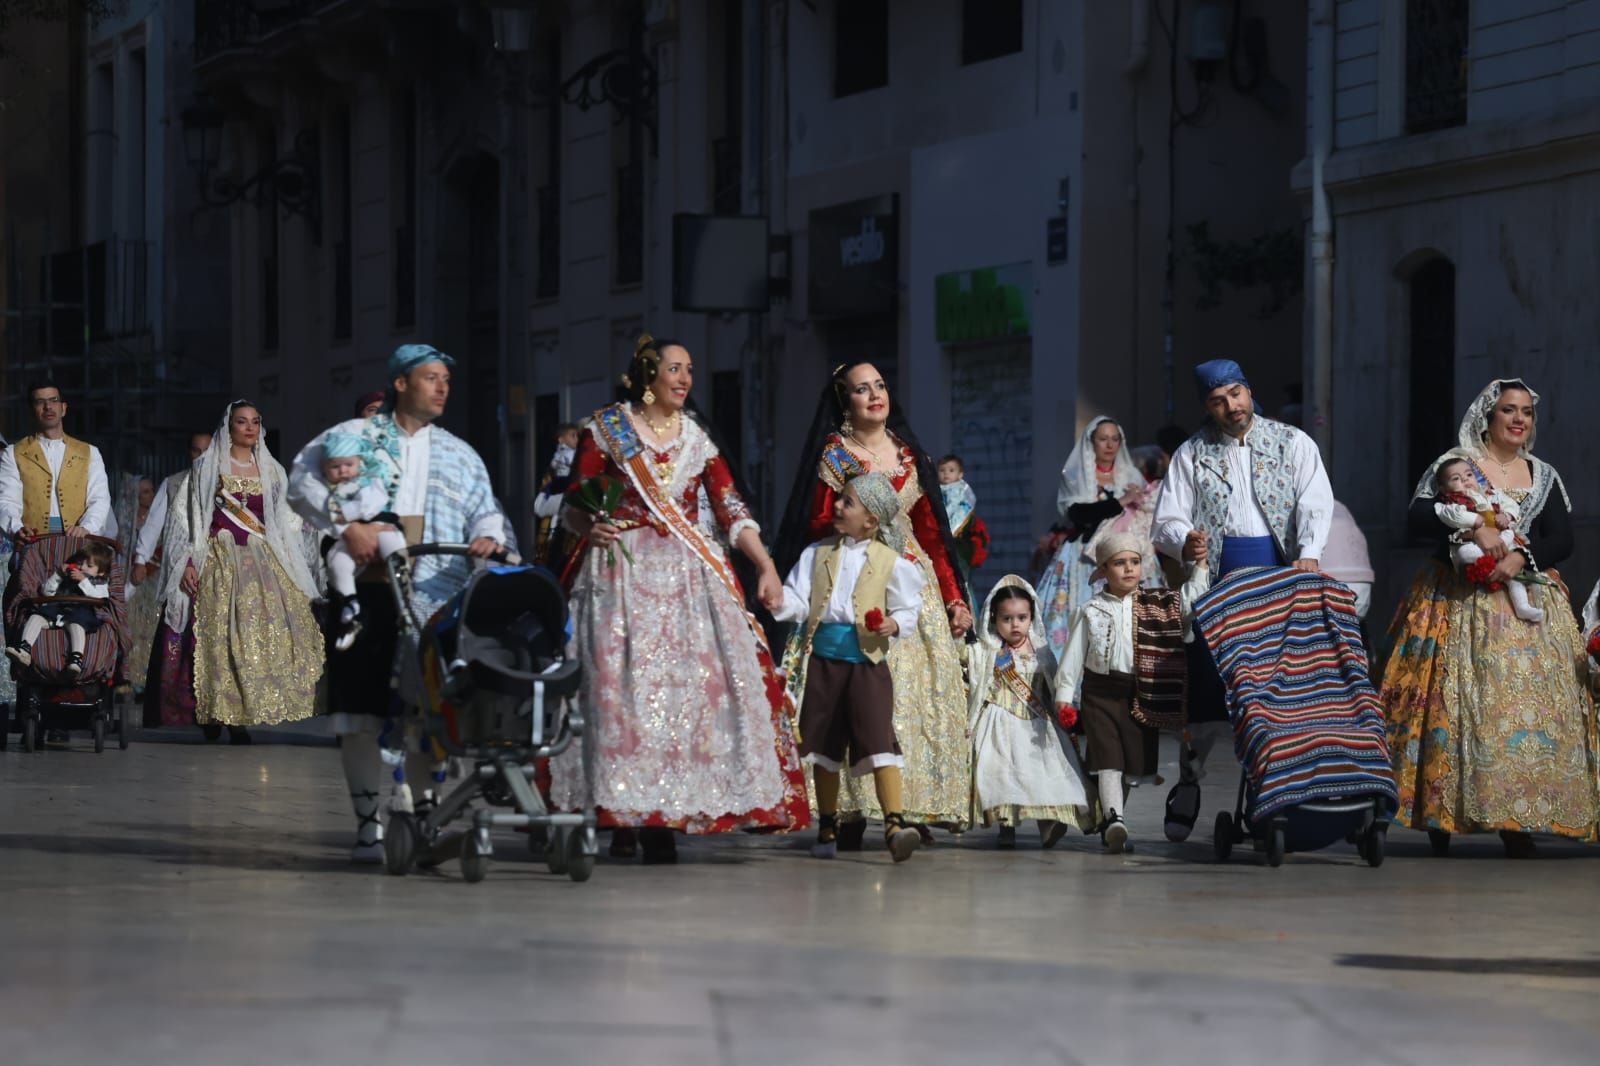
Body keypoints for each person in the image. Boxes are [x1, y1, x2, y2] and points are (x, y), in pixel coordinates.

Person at [547, 335, 806, 864]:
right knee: (621, 694)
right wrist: (588, 524)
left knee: (688, 697)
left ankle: (663, 816)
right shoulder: (608, 430)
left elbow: (731, 508)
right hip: (622, 577)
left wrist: (765, 565)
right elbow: (576, 500)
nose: (685, 379)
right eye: (674, 369)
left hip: (688, 579)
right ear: (648, 375)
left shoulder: (697, 439)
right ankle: (619, 810)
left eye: (689, 370)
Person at [292, 345, 511, 861]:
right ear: (400, 384)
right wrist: (349, 526)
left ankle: (424, 818)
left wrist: (487, 536)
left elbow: (485, 511)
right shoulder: (357, 436)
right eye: (431, 378)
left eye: (446, 381)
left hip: (435, 595)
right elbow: (301, 481)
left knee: (428, 712)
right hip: (368, 593)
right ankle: (369, 827)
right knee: (361, 713)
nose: (442, 388)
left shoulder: (460, 453)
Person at [1381, 378, 1598, 858]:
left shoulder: (1543, 474)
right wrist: (1471, 528)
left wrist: (1522, 557)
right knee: (1450, 703)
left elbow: (1562, 538)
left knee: (1528, 714)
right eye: (1508, 411)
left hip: (1525, 600)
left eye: (1526, 412)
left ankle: (1519, 819)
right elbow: (1415, 519)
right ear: (1489, 417)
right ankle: (1440, 814)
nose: (1519, 420)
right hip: (1458, 598)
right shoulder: (1456, 465)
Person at [776, 361, 973, 845]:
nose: (874, 395)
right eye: (861, 390)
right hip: (853, 581)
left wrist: (953, 598)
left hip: (911, 584)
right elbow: (820, 520)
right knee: (849, 698)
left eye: (880, 385)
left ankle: (911, 806)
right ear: (845, 402)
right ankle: (847, 809)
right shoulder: (835, 455)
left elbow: (931, 530)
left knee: (914, 697)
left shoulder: (910, 455)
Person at [1150, 359, 1333, 840]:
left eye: (1235, 394)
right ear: (1207, 407)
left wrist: (1309, 553)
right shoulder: (1192, 453)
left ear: (1249, 391)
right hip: (1218, 581)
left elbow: (1315, 500)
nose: (1230, 406)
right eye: (1217, 400)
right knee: (1211, 692)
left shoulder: (1292, 442)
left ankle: (1272, 790)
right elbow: (1167, 519)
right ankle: (1190, 781)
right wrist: (1184, 539)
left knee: (1278, 690)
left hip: (1280, 575)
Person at [771, 472, 926, 862]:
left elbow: (908, 607)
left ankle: (894, 822)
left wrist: (893, 623)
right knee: (822, 744)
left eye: (848, 502)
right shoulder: (817, 554)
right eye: (840, 499)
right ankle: (827, 824)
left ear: (871, 520)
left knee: (878, 740)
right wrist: (780, 603)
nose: (838, 506)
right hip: (824, 664)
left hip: (866, 664)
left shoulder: (890, 561)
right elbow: (800, 601)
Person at [158, 402, 323, 743]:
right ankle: (217, 710)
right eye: (241, 422)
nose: (249, 428)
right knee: (219, 639)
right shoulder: (207, 467)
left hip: (262, 562)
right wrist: (189, 561)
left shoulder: (273, 470)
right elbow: (190, 518)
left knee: (253, 639)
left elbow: (285, 523)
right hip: (220, 560)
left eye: (255, 422)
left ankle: (241, 715)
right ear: (228, 427)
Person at [1053, 533, 1210, 853]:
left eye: (1135, 562)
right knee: (1108, 759)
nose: (1129, 569)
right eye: (1119, 563)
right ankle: (1114, 820)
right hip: (1100, 694)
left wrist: (1201, 566)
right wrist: (1064, 696)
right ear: (1103, 570)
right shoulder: (1091, 610)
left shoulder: (1159, 605)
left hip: (1140, 697)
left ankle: (1111, 819)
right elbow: (1073, 655)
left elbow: (1192, 599)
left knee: (1129, 765)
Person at [964, 575, 1092, 849]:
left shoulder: (1042, 651)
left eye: (1022, 617)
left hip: (1037, 725)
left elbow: (1053, 684)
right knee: (1003, 773)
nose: (1015, 624)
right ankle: (1006, 827)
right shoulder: (987, 651)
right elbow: (971, 672)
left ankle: (1048, 825)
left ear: (1031, 616)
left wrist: (1062, 709)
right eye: (1007, 618)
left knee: (1043, 773)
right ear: (994, 619)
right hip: (999, 722)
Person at [1036, 416, 1153, 658]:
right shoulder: (1076, 476)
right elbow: (1078, 514)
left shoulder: (1131, 475)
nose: (1109, 445)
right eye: (1103, 439)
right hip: (1084, 554)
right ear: (1091, 442)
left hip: (1125, 551)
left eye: (1115, 439)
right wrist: (1120, 502)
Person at [133, 432, 213, 728]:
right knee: (177, 637)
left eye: (207, 451)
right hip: (181, 573)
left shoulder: (225, 483)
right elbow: (155, 524)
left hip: (217, 574)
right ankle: (174, 710)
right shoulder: (174, 484)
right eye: (196, 451)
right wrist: (140, 559)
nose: (201, 456)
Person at [315, 431, 406, 648]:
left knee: (391, 544)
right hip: (348, 541)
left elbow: (368, 507)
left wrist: (346, 513)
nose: (343, 471)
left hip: (381, 527)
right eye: (335, 467)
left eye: (348, 464)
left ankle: (404, 595)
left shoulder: (370, 482)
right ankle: (349, 603)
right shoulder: (327, 494)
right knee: (338, 563)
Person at [1432, 458, 1544, 623]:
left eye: (1469, 475)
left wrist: (1506, 515)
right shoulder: (1450, 503)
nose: (1464, 480)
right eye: (1455, 479)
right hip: (1472, 545)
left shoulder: (1490, 494)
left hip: (1501, 543)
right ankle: (1488, 565)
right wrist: (1474, 520)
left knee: (1514, 577)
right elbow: (1449, 515)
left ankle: (1522, 606)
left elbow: (1511, 504)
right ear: (1443, 488)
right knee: (1465, 553)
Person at [0, 382, 112, 541]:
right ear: (32, 411)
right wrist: (17, 528)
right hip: (33, 542)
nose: (48, 406)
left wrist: (87, 527)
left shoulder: (89, 452)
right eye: (40, 402)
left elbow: (99, 499)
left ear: (63, 408)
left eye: (53, 400)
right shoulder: (13, 453)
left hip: (78, 542)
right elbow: (7, 500)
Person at [6, 540, 115, 675]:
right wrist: (58, 575)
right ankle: (24, 650)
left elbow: (100, 597)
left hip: (81, 613)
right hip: (58, 610)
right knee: (36, 616)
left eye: (89, 565)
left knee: (77, 625)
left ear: (101, 572)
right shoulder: (66, 577)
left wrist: (83, 581)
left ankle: (76, 659)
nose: (82, 567)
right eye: (80, 563)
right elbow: (46, 592)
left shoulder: (100, 583)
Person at [532, 422, 581, 566]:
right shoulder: (565, 454)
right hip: (560, 496)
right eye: (573, 436)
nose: (576, 440)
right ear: (561, 439)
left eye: (578, 436)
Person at [936, 454, 990, 576]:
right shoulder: (936, 490)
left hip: (957, 538)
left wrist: (950, 529)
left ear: (960, 474)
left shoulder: (962, 490)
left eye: (951, 470)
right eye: (942, 470)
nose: (946, 474)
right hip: (938, 536)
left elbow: (965, 509)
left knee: (956, 573)